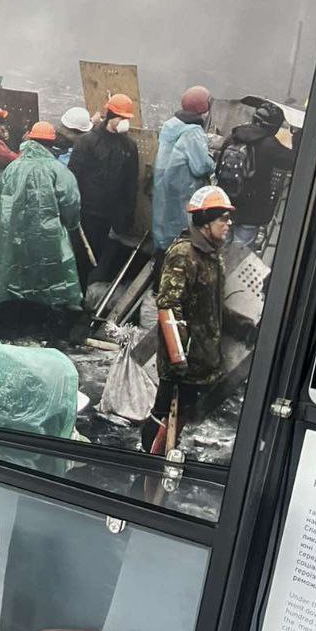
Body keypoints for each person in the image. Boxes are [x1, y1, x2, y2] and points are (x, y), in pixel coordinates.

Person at [142, 185, 234, 454]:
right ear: (205, 222)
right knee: (164, 410)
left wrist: (242, 326)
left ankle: (166, 449)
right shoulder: (184, 254)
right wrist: (178, 356)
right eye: (223, 218)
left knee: (183, 409)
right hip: (183, 358)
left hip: (202, 356)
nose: (228, 224)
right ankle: (149, 459)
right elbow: (168, 305)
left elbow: (213, 305)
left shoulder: (213, 255)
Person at [0, 121, 82, 329]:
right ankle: (42, 321)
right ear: (51, 144)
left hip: (12, 234)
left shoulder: (12, 168)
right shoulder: (58, 170)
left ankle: (15, 322)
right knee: (46, 276)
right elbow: (71, 202)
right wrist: (71, 224)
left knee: (16, 274)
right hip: (48, 235)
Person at [67, 93, 139, 287]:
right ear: (110, 116)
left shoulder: (129, 146)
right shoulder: (87, 142)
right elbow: (72, 177)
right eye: (121, 118)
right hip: (86, 213)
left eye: (127, 118)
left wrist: (128, 214)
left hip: (111, 215)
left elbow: (131, 182)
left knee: (100, 257)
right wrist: (72, 209)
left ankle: (91, 289)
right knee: (80, 256)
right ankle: (78, 291)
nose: (124, 122)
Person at [153, 86, 215, 278]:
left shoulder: (170, 125)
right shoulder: (193, 132)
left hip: (163, 187)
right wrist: (211, 160)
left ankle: (157, 280)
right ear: (203, 107)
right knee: (180, 239)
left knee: (162, 234)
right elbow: (200, 166)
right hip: (182, 191)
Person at [217, 100, 294, 248]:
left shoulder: (233, 137)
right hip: (252, 208)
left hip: (226, 202)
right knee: (240, 252)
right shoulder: (270, 145)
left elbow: (218, 166)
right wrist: (297, 137)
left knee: (221, 246)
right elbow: (292, 161)